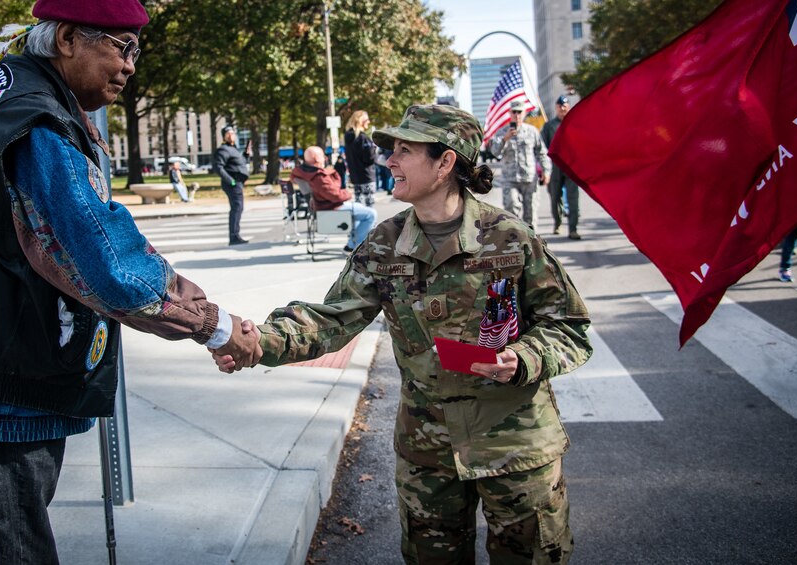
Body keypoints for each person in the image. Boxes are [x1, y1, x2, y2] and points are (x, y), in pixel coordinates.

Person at [0, 0, 261, 562]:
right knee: (12, 546)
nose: (131, 66)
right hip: (1, 377)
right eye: (122, 46)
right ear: (66, 38)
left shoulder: (0, 92)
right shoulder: (36, 120)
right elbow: (103, 255)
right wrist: (212, 323)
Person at [216, 105, 592, 565]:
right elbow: (332, 318)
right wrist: (256, 343)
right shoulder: (383, 244)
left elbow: (569, 327)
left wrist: (526, 357)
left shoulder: (511, 240)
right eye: (391, 151)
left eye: (405, 151)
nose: (389, 161)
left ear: (446, 162)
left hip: (516, 449)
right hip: (428, 456)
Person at [290, 145, 377, 252]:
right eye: (323, 156)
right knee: (371, 214)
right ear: (317, 159)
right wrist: (347, 193)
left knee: (360, 209)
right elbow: (336, 196)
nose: (325, 158)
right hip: (330, 209)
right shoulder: (318, 177)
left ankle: (352, 244)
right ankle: (356, 248)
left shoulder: (302, 172)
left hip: (320, 208)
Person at [488, 99, 550, 228]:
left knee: (530, 214)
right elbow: (494, 152)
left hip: (529, 178)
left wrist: (546, 171)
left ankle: (531, 244)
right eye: (514, 112)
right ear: (510, 113)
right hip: (510, 179)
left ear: (524, 113)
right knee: (511, 210)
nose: (517, 115)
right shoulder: (502, 132)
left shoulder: (532, 131)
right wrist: (505, 138)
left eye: (519, 112)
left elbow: (542, 152)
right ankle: (516, 244)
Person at [540, 95, 581, 240]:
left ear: (568, 107)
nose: (562, 109)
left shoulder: (575, 124)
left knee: (573, 198)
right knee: (555, 197)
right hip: (554, 167)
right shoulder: (549, 126)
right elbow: (542, 147)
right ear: (556, 108)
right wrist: (544, 168)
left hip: (571, 167)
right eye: (559, 106)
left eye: (565, 106)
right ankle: (557, 222)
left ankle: (573, 229)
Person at [214, 125, 250, 244]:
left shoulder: (234, 149)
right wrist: (231, 181)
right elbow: (218, 167)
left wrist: (246, 154)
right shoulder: (223, 150)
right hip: (232, 184)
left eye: (232, 133)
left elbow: (240, 163)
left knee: (238, 208)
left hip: (238, 183)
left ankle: (235, 235)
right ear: (224, 136)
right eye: (228, 134)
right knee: (236, 208)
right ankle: (234, 236)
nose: (231, 135)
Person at [343, 109, 378, 206]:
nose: (369, 122)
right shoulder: (363, 138)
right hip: (366, 176)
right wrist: (374, 150)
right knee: (369, 210)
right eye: (367, 120)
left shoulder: (348, 137)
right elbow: (369, 158)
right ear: (361, 121)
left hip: (355, 177)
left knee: (360, 208)